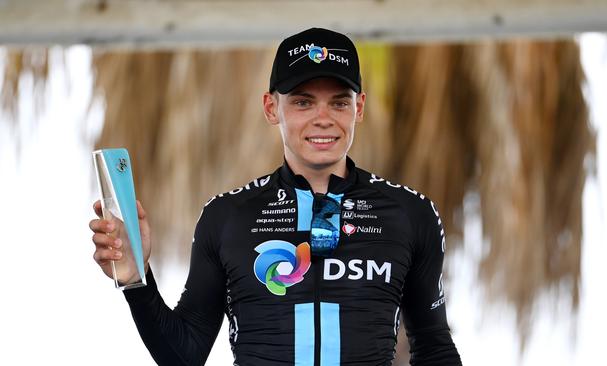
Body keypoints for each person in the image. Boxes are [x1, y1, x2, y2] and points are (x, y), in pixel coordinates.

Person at [89, 27, 462, 366]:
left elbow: (434, 347)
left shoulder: (410, 213)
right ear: (271, 108)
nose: (323, 118)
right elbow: (183, 354)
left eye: (338, 102)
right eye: (302, 102)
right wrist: (137, 278)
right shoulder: (227, 216)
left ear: (359, 108)